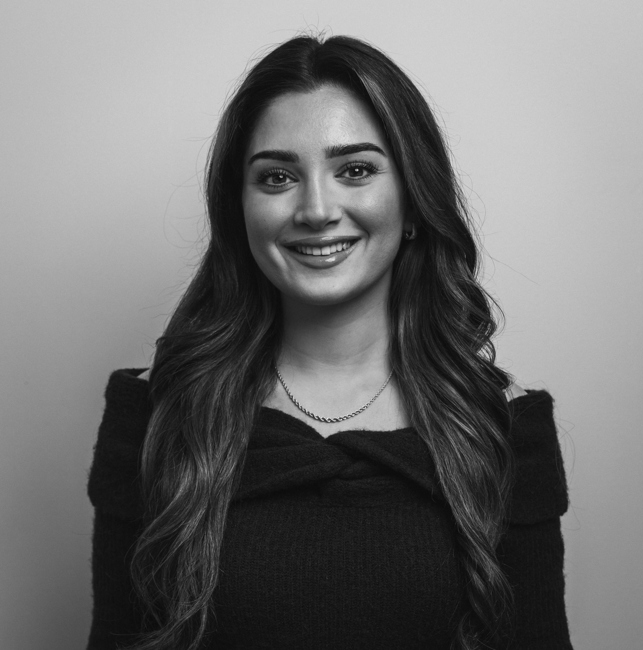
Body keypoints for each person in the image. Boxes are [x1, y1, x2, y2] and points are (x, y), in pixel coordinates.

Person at [86, 34, 572, 650]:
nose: (316, 209)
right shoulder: (155, 416)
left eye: (356, 170)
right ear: (239, 210)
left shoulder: (503, 427)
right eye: (277, 177)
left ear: (414, 199)